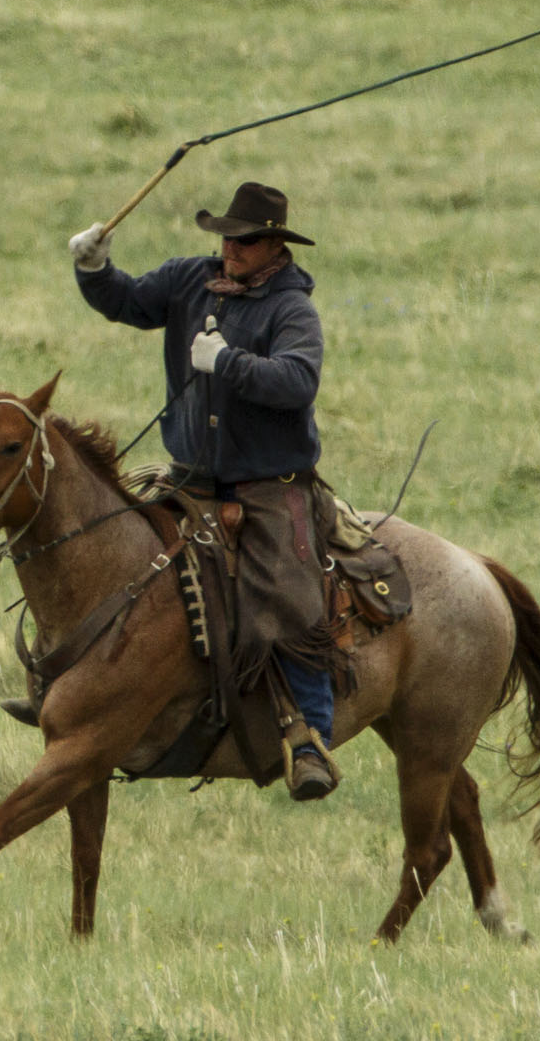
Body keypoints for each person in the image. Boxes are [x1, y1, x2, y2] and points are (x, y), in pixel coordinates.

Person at [66, 181, 341, 801]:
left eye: (244, 242)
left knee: (292, 598)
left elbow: (298, 381)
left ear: (275, 245)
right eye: (226, 238)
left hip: (269, 484)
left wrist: (229, 363)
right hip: (188, 477)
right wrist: (95, 269)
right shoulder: (189, 278)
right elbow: (129, 302)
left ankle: (309, 739)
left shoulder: (292, 310)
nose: (230, 250)